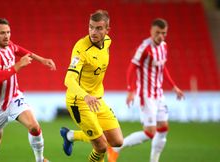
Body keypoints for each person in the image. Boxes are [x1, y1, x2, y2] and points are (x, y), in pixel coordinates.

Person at [107, 18, 185, 162]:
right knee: (150, 132)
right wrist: (131, 90)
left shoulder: (164, 46)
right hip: (146, 95)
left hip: (159, 94)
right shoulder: (144, 48)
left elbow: (162, 68)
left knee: (163, 129)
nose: (161, 36)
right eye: (158, 33)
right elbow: (131, 68)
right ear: (151, 31)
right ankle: (115, 148)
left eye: (164, 33)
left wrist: (174, 86)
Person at [0, 18, 56, 162]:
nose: (7, 36)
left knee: (34, 127)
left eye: (8, 32)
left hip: (14, 97)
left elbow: (19, 49)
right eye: (2, 33)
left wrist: (41, 59)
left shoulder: (8, 45)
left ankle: (40, 160)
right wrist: (18, 65)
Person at [60, 10, 124, 162]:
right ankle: (73, 136)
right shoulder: (81, 48)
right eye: (91, 27)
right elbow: (68, 79)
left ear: (107, 30)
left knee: (117, 141)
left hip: (96, 99)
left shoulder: (107, 42)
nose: (93, 32)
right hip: (79, 101)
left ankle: (70, 135)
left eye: (98, 28)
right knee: (101, 146)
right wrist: (85, 95)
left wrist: (92, 95)